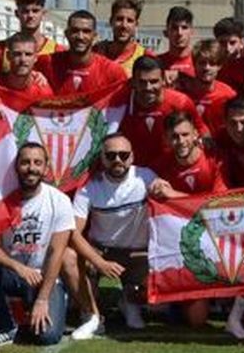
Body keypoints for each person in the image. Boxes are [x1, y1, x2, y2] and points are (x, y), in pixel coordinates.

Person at [69, 134, 177, 330]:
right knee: (72, 258)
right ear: (102, 158)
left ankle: (130, 299)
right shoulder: (89, 188)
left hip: (139, 253)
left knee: (161, 304)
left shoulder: (145, 176)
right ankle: (91, 312)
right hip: (102, 250)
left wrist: (163, 188)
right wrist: (99, 262)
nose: (117, 160)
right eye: (111, 155)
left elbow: (172, 201)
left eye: (123, 155)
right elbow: (73, 232)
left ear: (132, 157)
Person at [0, 143, 74, 348]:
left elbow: (56, 252)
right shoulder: (1, 201)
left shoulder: (59, 200)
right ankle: (6, 326)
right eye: (25, 162)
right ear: (17, 167)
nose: (31, 168)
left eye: (37, 163)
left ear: (46, 168)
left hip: (45, 277)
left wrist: (43, 299)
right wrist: (16, 266)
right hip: (14, 273)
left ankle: (51, 300)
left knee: (47, 337)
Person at [154, 113, 227, 328]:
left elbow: (219, 204)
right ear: (167, 139)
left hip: (216, 239)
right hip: (181, 245)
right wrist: (155, 187)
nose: (181, 141)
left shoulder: (215, 161)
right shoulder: (160, 165)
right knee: (196, 321)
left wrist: (174, 195)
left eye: (185, 134)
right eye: (174, 136)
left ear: (196, 134)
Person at [102, 56, 206, 170]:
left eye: (154, 81)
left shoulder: (181, 103)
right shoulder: (119, 104)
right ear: (133, 82)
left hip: (170, 173)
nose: (148, 87)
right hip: (132, 174)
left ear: (163, 80)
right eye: (142, 82)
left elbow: (201, 131)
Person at [36, 9, 128, 98]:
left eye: (86, 31)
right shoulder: (47, 63)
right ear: (66, 34)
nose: (80, 37)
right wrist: (33, 76)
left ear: (95, 36)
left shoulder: (113, 72)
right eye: (75, 31)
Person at [0, 33, 55, 112]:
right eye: (17, 54)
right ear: (8, 56)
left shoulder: (43, 91)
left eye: (28, 54)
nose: (23, 60)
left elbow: (50, 121)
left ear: (35, 58)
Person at [177, 39, 239, 134]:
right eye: (202, 63)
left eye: (212, 63)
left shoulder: (228, 95)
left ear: (219, 66)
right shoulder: (182, 93)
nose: (207, 68)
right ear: (194, 64)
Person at [0, 0, 59, 70]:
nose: (30, 15)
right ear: (17, 14)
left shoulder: (56, 50)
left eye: (35, 11)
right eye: (25, 11)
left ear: (43, 13)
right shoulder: (1, 48)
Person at [94, 0, 150, 74]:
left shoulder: (145, 56)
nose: (124, 25)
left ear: (136, 24)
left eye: (129, 21)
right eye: (119, 19)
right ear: (111, 21)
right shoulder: (96, 51)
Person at [157, 6, 197, 81]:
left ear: (192, 32)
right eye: (174, 28)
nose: (179, 33)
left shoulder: (202, 62)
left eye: (184, 27)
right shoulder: (156, 62)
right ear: (166, 33)